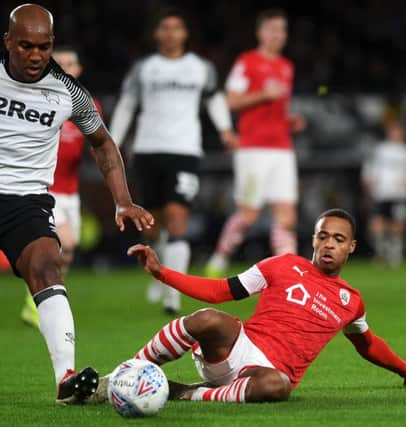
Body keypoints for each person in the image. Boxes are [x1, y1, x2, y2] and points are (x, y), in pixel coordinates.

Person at [0, 4, 154, 404]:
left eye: (44, 47)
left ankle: (66, 379)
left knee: (48, 265)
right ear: (7, 42)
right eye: (26, 46)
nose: (36, 56)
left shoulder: (68, 92)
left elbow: (103, 144)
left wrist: (123, 201)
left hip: (26, 205)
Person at [91, 209, 406, 404]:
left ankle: (187, 394)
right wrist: (161, 273)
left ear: (351, 247)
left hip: (264, 376)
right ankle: (119, 378)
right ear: (313, 239)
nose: (328, 245)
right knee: (208, 319)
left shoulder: (350, 301)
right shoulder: (282, 264)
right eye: (323, 236)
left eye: (338, 240)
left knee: (279, 387)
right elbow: (221, 290)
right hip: (236, 348)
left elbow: (368, 344)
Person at [110, 9, 236, 314]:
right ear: (157, 35)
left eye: (176, 28)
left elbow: (214, 98)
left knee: (178, 218)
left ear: (184, 34)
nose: (170, 33)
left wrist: (226, 130)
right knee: (153, 226)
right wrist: (111, 141)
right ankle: (159, 271)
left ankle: (172, 294)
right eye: (164, 28)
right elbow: (127, 104)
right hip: (148, 149)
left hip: (184, 150)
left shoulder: (200, 68)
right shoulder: (145, 69)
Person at [205, 8, 305, 277]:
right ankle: (219, 258)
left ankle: (287, 274)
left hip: (282, 148)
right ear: (260, 33)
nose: (277, 35)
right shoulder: (246, 62)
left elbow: (277, 110)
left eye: (282, 30)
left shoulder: (286, 66)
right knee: (248, 215)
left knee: (286, 214)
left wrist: (290, 121)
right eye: (272, 29)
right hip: (252, 148)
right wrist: (263, 94)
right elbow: (231, 100)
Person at [20, 45, 102, 328]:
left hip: (70, 190)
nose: (66, 67)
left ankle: (41, 298)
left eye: (71, 62)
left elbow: (97, 142)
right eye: (61, 62)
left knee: (70, 248)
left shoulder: (86, 102)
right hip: (44, 186)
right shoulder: (38, 99)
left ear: (79, 70)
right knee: (63, 243)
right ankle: (38, 303)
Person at [361, 121, 406, 267]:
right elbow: (369, 168)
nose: (395, 133)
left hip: (400, 194)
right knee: (377, 223)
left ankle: (395, 254)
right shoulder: (379, 150)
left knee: (398, 223)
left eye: (398, 130)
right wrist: (368, 181)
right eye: (393, 130)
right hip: (381, 193)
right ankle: (380, 252)